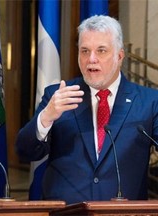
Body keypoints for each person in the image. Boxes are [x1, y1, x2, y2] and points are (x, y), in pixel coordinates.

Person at [15, 15, 158, 204]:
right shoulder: (58, 96)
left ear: (120, 56)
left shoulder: (149, 101)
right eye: (84, 51)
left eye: (101, 51)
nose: (91, 59)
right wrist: (46, 117)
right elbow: (25, 152)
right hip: (66, 211)